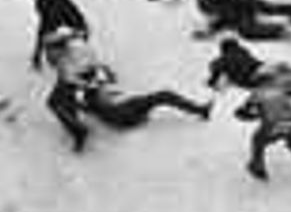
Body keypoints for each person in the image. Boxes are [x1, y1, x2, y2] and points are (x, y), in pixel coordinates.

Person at [43, 29, 211, 152]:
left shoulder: (76, 74)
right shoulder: (85, 84)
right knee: (163, 95)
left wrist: (97, 82)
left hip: (123, 114)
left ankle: (78, 132)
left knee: (58, 102)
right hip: (124, 112)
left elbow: (78, 90)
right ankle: (199, 110)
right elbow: (87, 87)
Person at [236, 82, 291, 188]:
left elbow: (247, 112)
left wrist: (242, 113)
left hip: (273, 123)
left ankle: (258, 166)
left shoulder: (256, 94)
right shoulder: (279, 91)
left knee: (257, 140)